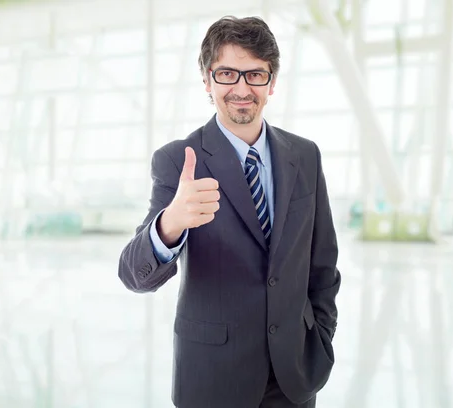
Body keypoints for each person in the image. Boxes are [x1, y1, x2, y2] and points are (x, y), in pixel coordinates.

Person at [118, 15, 341, 408]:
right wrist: (169, 224)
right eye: (227, 74)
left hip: (294, 377)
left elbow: (322, 263)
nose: (241, 88)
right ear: (207, 81)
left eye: (255, 75)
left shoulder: (305, 156)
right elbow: (133, 276)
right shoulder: (178, 160)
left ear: (271, 83)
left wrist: (319, 336)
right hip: (213, 379)